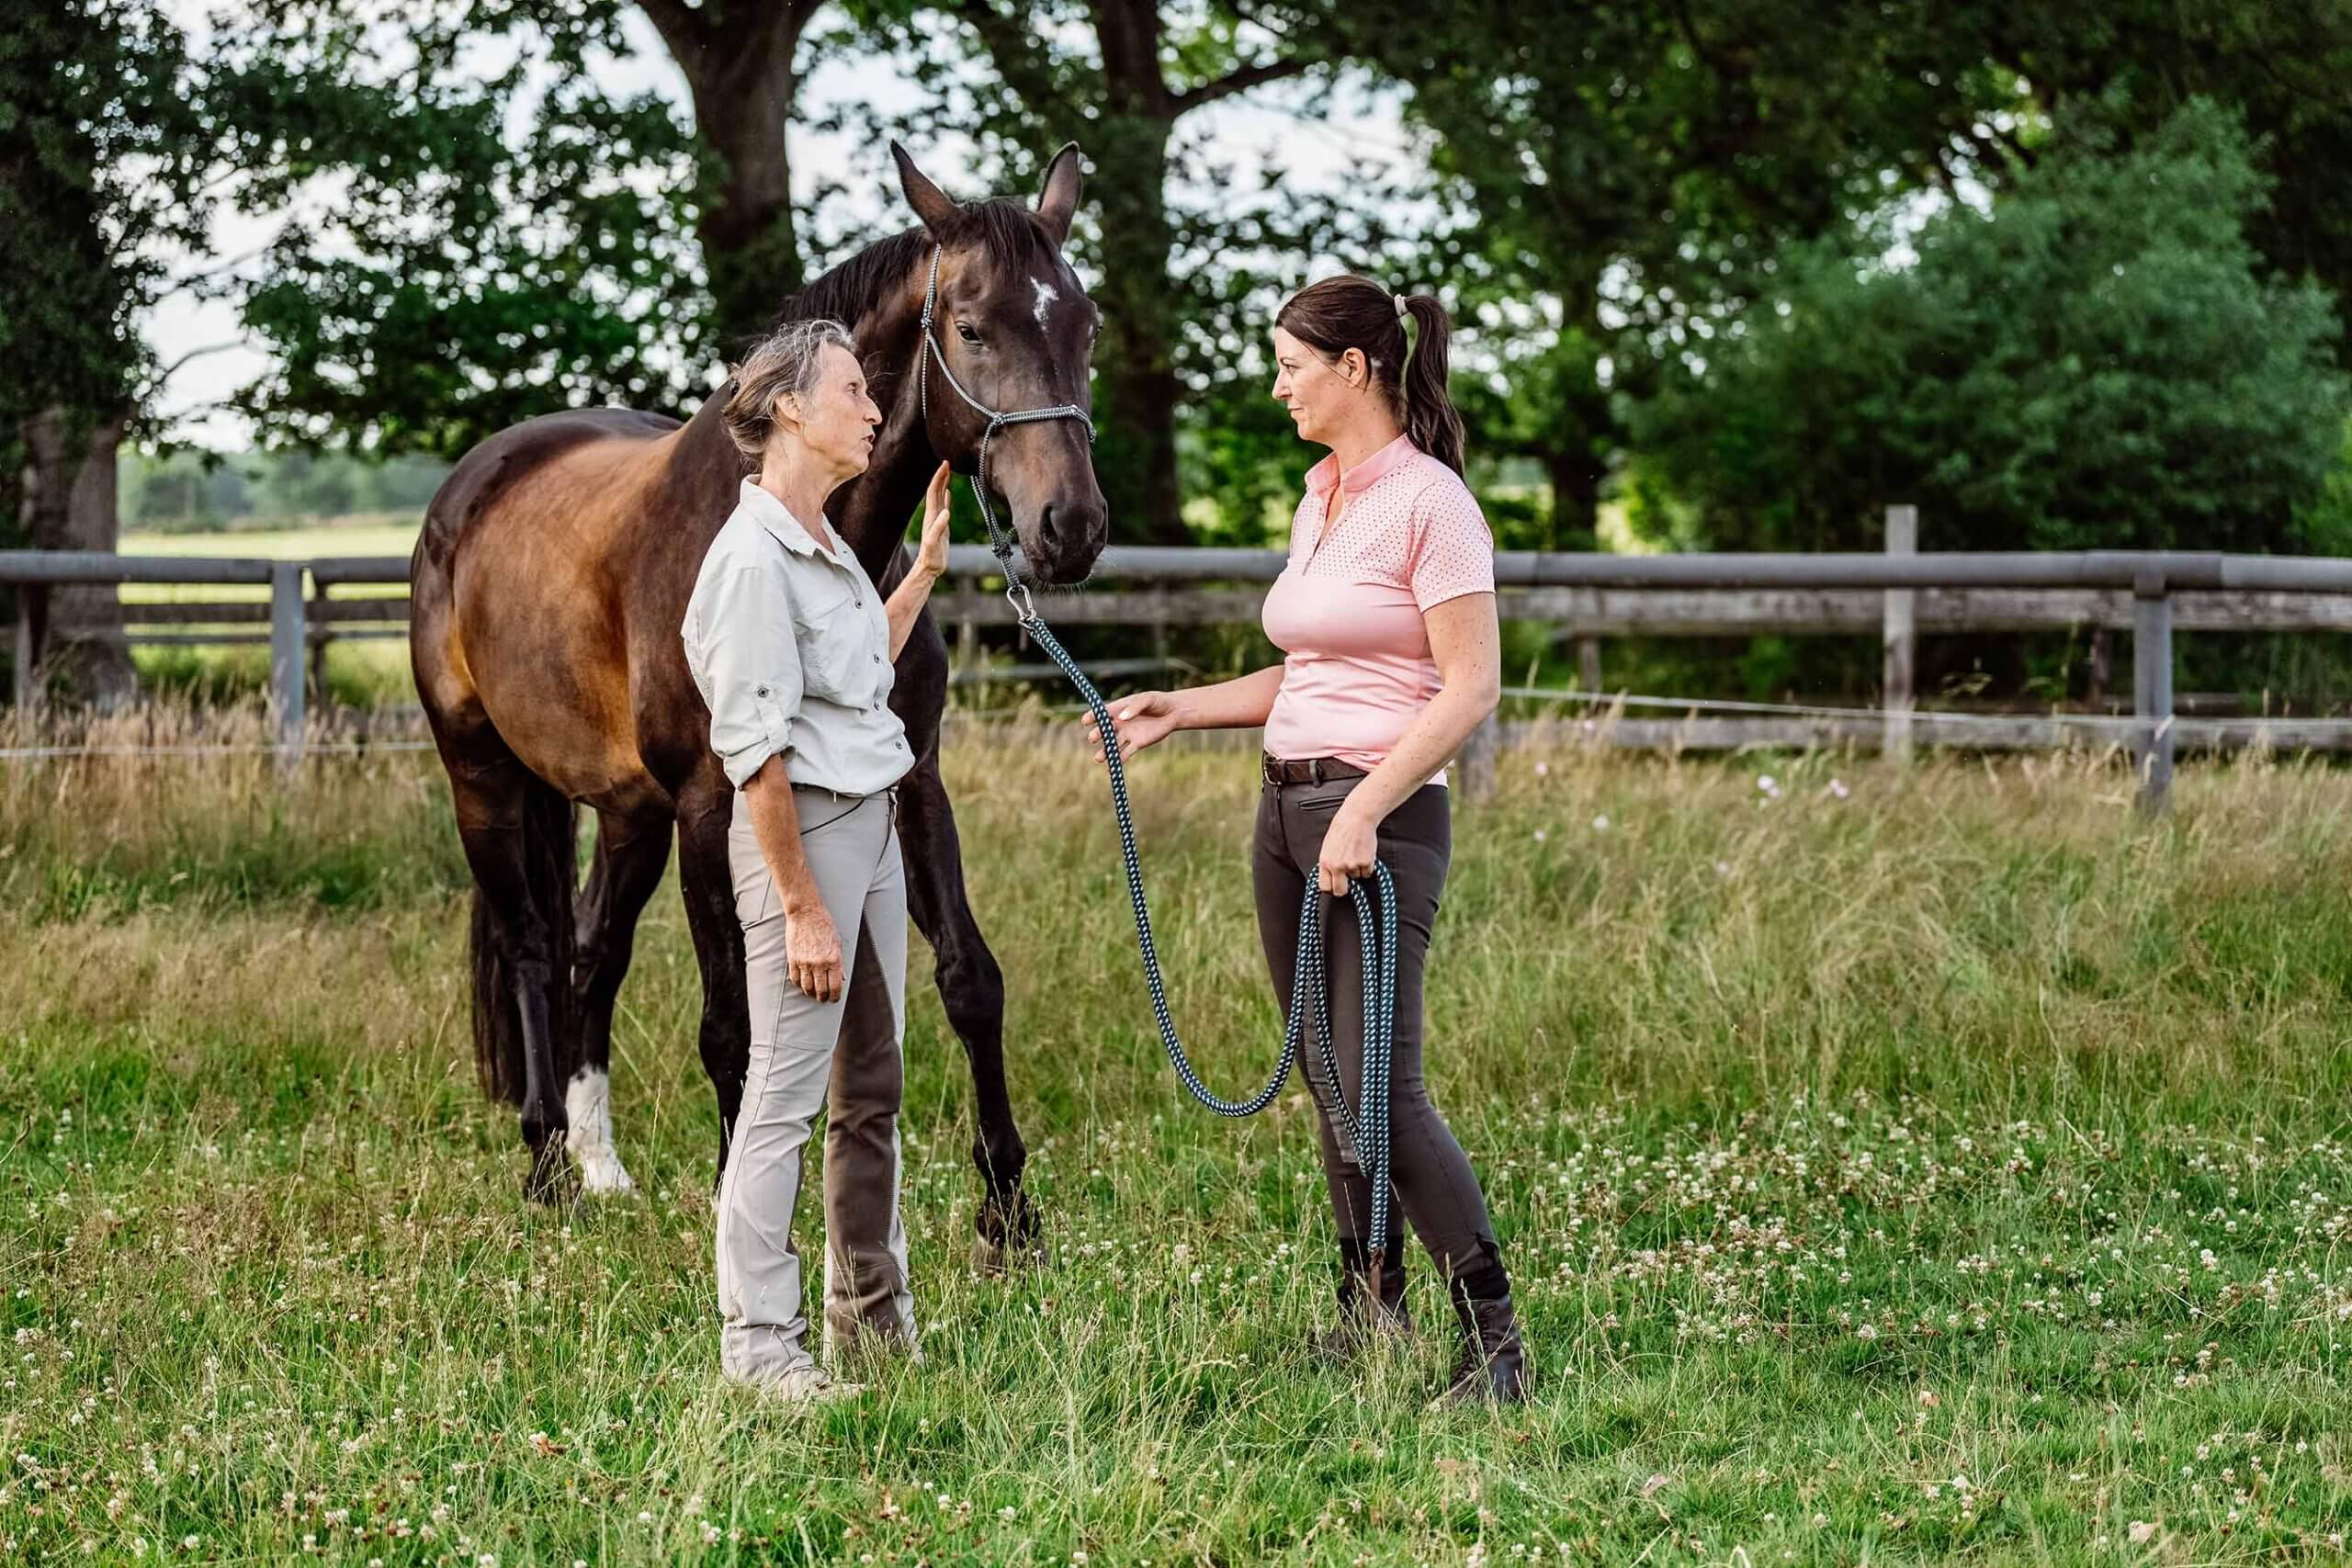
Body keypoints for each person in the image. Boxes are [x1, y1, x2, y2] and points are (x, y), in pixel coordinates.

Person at [1086, 276, 1528, 1404]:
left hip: (1376, 818)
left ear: (1355, 369)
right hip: (1282, 810)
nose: (1278, 384)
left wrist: (1369, 808)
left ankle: (1494, 1345)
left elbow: (1468, 687)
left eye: (1291, 364)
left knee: (1379, 1079)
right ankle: (1369, 1311)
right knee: (1329, 1079)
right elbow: (1317, 668)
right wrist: (1183, 706)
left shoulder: (1434, 505)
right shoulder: (1319, 495)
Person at [683, 317, 953, 1401]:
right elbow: (755, 758)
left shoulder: (826, 539)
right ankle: (760, 1351)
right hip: (810, 842)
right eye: (853, 390)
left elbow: (852, 673)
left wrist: (924, 571)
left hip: (871, 828)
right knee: (782, 1102)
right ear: (790, 408)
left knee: (872, 1088)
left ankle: (871, 1326)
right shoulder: (749, 560)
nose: (875, 409)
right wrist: (798, 905)